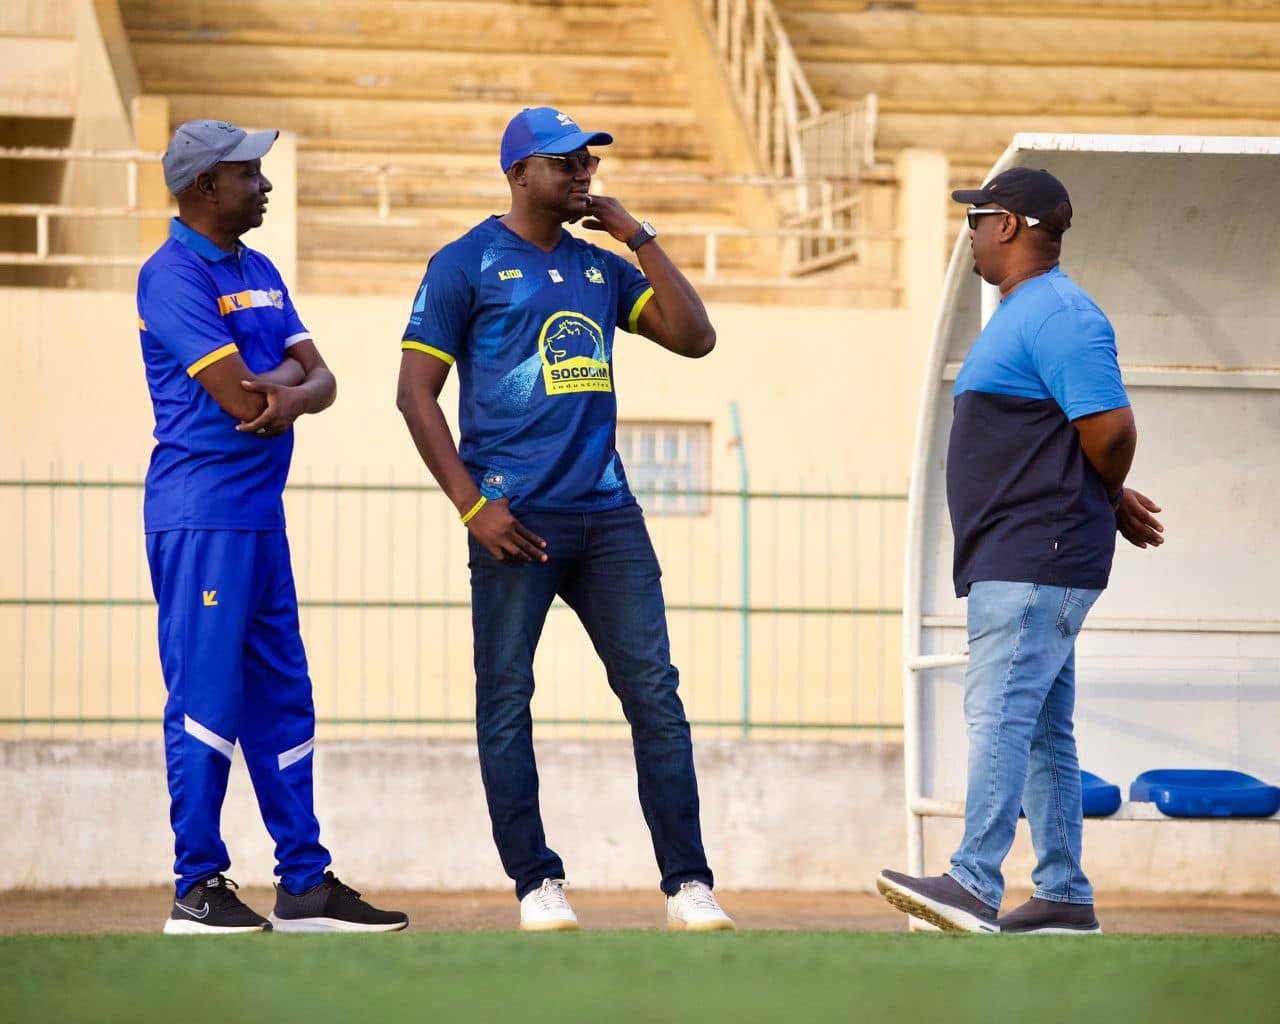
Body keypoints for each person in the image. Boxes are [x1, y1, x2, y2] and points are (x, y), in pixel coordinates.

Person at [396, 106, 734, 932]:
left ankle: (689, 885)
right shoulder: (464, 264)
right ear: (519, 174)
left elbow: (697, 339)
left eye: (587, 163)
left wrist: (636, 235)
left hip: (609, 519)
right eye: (564, 164)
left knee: (655, 696)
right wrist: (474, 507)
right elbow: (414, 395)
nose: (583, 175)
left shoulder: (601, 268)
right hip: (516, 523)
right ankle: (536, 884)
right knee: (507, 701)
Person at [877, 167, 1165, 935]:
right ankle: (1064, 893)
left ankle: (973, 882)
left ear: (1010, 225)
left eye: (977, 217)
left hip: (1035, 555)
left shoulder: (1062, 314)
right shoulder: (1027, 312)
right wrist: (1104, 496)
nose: (968, 231)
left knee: (1000, 713)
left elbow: (1112, 432)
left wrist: (1104, 494)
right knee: (1041, 727)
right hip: (1027, 554)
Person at [139, 119, 406, 934]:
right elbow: (243, 397)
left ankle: (304, 884)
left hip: (259, 517)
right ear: (204, 188)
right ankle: (198, 886)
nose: (266, 186)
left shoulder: (259, 269)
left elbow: (321, 380)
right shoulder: (170, 274)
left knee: (285, 699)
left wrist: (288, 388)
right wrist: (290, 388)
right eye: (250, 174)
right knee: (208, 698)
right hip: (202, 517)